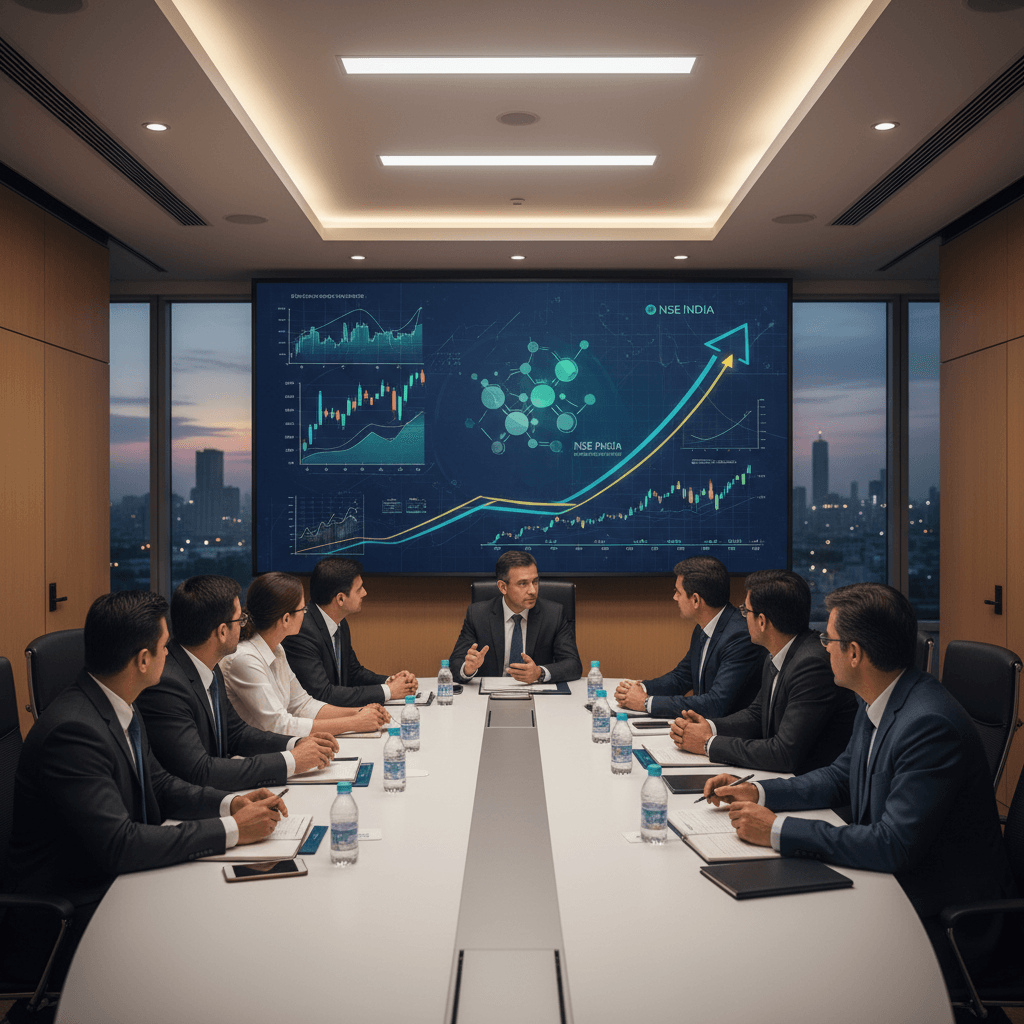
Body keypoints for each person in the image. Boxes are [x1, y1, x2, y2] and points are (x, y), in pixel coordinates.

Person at [704, 582, 1015, 977]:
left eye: (827, 639)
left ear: (854, 653)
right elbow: (839, 777)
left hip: (947, 919)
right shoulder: (879, 694)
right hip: (894, 886)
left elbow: (891, 845)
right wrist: (759, 791)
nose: (823, 647)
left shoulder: (928, 724)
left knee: (795, 954)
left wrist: (777, 829)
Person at [0, 591, 289, 1001]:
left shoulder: (120, 705)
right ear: (141, 660)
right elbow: (119, 845)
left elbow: (160, 785)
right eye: (164, 646)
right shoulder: (73, 731)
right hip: (68, 914)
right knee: (225, 947)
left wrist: (230, 804)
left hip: (114, 884)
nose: (170, 655)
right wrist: (231, 830)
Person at [136, 575, 339, 789]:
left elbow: (237, 733)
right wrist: (291, 761)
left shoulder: (210, 668)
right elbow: (200, 771)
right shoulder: (167, 685)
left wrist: (295, 743)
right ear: (222, 632)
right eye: (240, 620)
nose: (244, 626)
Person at [669, 569, 856, 773]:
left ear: (762, 621)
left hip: (810, 788)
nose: (742, 618)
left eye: (745, 611)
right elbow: (757, 714)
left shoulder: (811, 664)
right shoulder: (776, 653)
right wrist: (710, 727)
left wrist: (707, 744)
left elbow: (783, 753)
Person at [222, 572, 391, 737]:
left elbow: (302, 705)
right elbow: (278, 725)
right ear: (286, 619)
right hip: (254, 757)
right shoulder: (244, 659)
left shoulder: (277, 648)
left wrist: (359, 712)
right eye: (302, 609)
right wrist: (353, 723)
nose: (306, 613)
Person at [614, 556, 761, 718]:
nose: (675, 597)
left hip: (729, 735)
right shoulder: (703, 628)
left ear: (696, 600)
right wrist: (640, 688)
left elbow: (716, 703)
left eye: (678, 592)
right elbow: (682, 677)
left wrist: (646, 703)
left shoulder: (740, 637)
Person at [282, 557, 417, 707]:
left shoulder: (340, 622)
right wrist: (389, 691)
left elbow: (353, 673)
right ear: (340, 599)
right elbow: (322, 694)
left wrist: (391, 682)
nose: (364, 593)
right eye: (359, 589)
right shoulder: (302, 631)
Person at [449, 551, 582, 683]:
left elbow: (573, 665)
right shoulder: (478, 614)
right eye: (523, 584)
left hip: (538, 693)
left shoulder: (554, 614)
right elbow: (455, 662)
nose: (533, 591)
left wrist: (539, 673)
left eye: (535, 581)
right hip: (491, 693)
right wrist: (468, 669)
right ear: (503, 587)